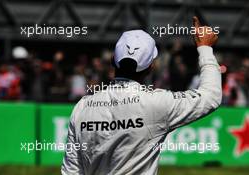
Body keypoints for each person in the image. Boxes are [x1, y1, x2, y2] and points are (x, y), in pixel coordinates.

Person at [61, 16, 222, 175]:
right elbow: (210, 97)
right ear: (151, 67)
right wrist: (205, 49)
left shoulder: (83, 107)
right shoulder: (157, 102)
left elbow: (71, 171)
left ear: (112, 60)